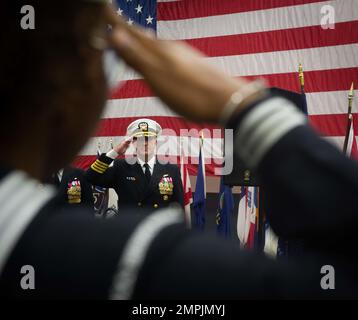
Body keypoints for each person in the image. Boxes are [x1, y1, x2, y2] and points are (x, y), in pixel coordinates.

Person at [0, 0, 357, 299]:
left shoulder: (168, 173)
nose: (143, 143)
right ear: (76, 88)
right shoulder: (127, 259)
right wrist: (245, 106)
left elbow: (178, 206)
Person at [85, 118, 184, 211]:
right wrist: (115, 152)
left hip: (159, 227)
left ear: (156, 141)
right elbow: (90, 177)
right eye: (139, 139)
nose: (145, 143)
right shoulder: (121, 167)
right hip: (130, 226)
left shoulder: (171, 170)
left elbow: (178, 206)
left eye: (148, 138)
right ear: (133, 142)